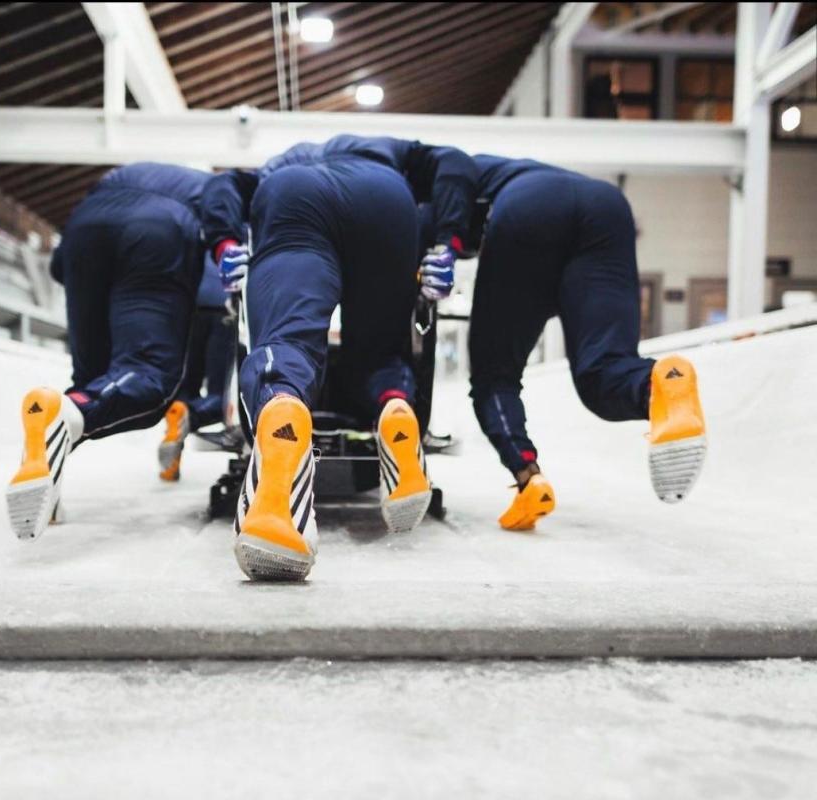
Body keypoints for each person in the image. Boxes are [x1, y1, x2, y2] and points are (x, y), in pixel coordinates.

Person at [201, 135, 478, 581]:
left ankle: (282, 409)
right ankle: (394, 407)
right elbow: (456, 161)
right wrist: (449, 242)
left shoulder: (279, 163)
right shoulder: (390, 150)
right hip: (385, 196)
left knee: (288, 342)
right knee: (380, 352)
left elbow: (221, 187)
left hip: (293, 197)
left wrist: (224, 244)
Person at [468, 155, 706, 531]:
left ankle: (529, 478)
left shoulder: (436, 174)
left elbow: (421, 233)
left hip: (527, 209)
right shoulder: (506, 168)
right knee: (604, 371)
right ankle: (657, 382)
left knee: (494, 378)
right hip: (605, 206)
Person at [6, 162, 208, 541]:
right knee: (149, 378)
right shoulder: (218, 185)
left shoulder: (113, 178)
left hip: (81, 231)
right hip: (157, 232)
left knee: (91, 385)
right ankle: (71, 412)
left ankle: (45, 479)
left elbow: (58, 268)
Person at [158, 254, 237, 481]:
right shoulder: (232, 226)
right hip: (226, 309)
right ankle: (190, 415)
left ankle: (171, 463)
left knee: (184, 389)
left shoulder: (190, 224)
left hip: (189, 310)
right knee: (219, 394)